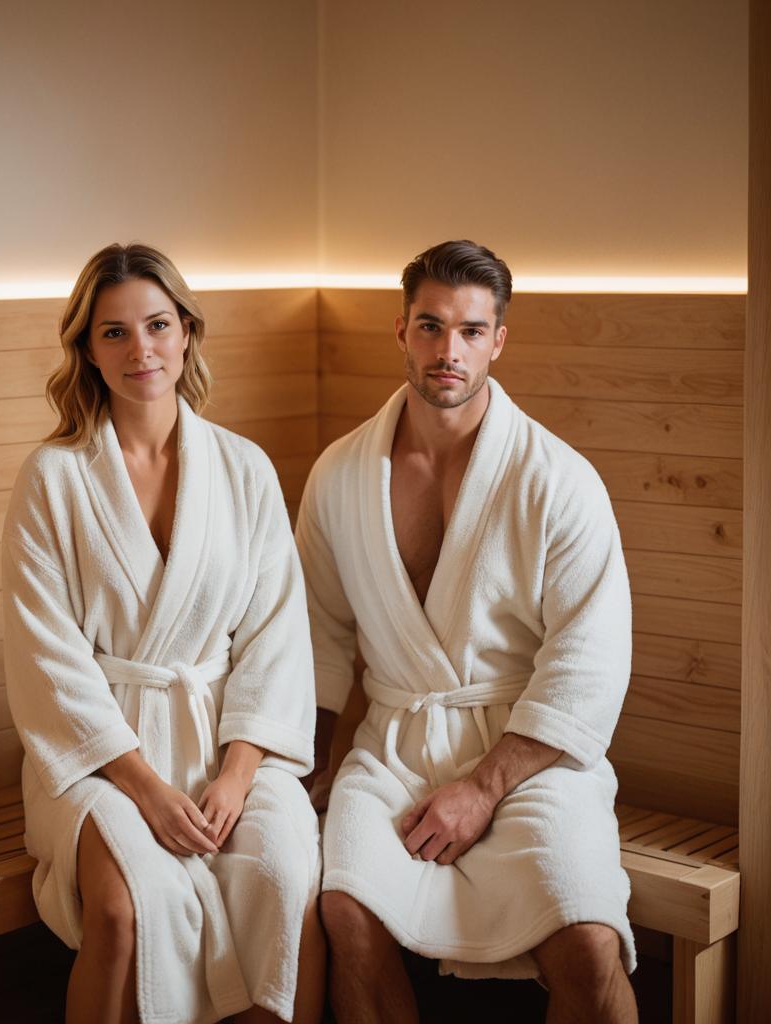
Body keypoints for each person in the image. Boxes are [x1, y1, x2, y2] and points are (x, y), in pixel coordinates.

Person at [295, 240, 638, 1024]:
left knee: (586, 939)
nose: (449, 351)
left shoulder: (559, 480)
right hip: (392, 745)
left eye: (472, 331)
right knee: (346, 913)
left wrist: (483, 789)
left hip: (527, 755)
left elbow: (588, 668)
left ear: (499, 339)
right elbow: (315, 637)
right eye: (431, 326)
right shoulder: (341, 474)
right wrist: (301, 771)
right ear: (402, 330)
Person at [2, 243, 325, 1024]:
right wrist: (145, 789)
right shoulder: (53, 478)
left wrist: (239, 775)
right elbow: (48, 661)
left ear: (186, 333)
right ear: (86, 348)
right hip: (95, 759)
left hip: (227, 744)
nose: (139, 349)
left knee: (285, 878)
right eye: (113, 332)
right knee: (124, 910)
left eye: (156, 325)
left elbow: (274, 638)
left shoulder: (244, 470)